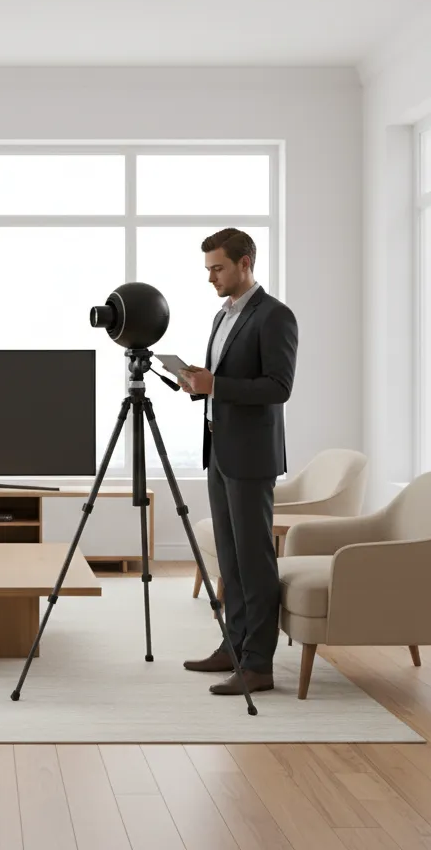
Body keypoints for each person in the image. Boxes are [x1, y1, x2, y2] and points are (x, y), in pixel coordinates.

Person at [178, 228, 298, 695]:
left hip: (251, 457)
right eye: (208, 269)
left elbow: (279, 387)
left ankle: (258, 666)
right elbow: (222, 380)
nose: (211, 277)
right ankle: (234, 645)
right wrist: (198, 386)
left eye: (218, 268)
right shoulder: (221, 316)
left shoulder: (275, 316)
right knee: (230, 561)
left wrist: (218, 387)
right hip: (220, 450)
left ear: (245, 262)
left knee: (254, 560)